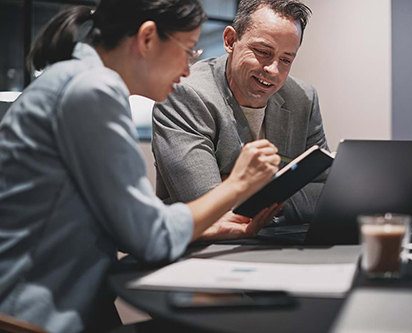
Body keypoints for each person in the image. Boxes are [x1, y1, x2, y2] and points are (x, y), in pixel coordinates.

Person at [0, 1, 281, 332]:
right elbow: (149, 237)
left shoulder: (77, 81)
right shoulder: (92, 90)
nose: (189, 69)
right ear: (148, 38)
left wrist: (209, 227)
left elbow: (128, 224)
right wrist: (238, 183)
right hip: (30, 315)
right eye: (189, 50)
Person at [153, 0, 330, 237]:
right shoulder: (185, 94)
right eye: (263, 52)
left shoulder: (303, 98)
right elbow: (208, 207)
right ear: (229, 41)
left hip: (281, 240)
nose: (273, 71)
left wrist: (245, 188)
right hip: (203, 247)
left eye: (286, 59)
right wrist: (285, 188)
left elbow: (328, 193)